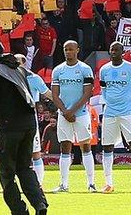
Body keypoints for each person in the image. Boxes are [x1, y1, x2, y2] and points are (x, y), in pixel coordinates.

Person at [0, 37, 48, 215]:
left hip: (9, 127)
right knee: (24, 167)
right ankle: (40, 204)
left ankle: (19, 211)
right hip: (29, 123)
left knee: (6, 173)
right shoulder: (19, 68)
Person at [97, 41, 131, 192]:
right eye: (112, 49)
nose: (113, 52)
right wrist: (108, 103)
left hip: (128, 113)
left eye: (117, 50)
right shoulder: (104, 69)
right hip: (110, 113)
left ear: (122, 52)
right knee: (107, 147)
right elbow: (104, 89)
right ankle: (108, 183)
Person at [50, 40, 96, 193]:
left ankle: (91, 183)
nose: (68, 52)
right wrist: (65, 111)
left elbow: (87, 93)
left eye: (71, 49)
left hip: (81, 114)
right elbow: (55, 95)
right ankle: (64, 184)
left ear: (77, 50)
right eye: (65, 49)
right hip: (64, 114)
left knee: (86, 146)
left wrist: (73, 111)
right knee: (65, 147)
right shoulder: (57, 70)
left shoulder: (85, 69)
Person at [16, 54, 52, 184]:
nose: (15, 64)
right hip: (14, 119)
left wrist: (62, 105)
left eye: (17, 62)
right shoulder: (10, 78)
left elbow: (47, 93)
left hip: (30, 118)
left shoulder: (34, 78)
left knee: (35, 152)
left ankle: (39, 183)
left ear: (24, 63)